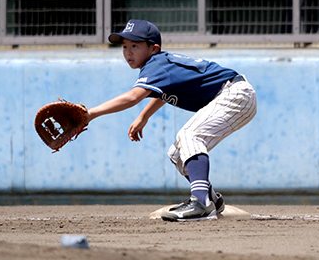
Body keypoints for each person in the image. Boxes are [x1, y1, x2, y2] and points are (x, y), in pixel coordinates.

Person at [85, 19, 257, 221]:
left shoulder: (156, 63)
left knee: (190, 136)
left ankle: (201, 203)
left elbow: (132, 97)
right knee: (177, 153)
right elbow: (163, 92)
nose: (128, 52)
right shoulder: (159, 64)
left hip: (235, 93)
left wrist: (90, 114)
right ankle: (211, 198)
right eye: (124, 46)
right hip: (233, 94)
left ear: (153, 48)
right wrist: (144, 116)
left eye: (135, 45)